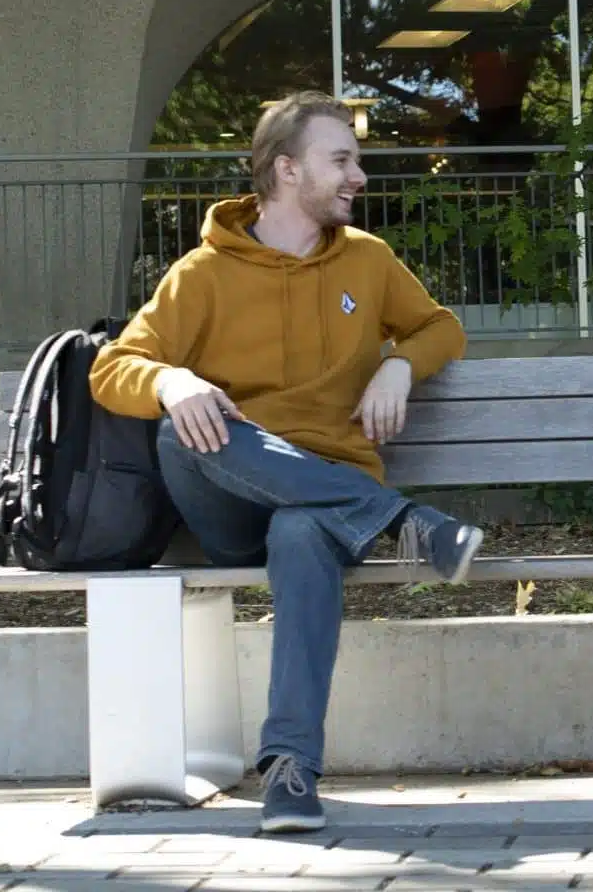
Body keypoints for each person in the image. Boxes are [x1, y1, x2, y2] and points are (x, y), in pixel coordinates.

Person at [91, 92, 483, 835]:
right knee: (185, 429)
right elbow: (114, 370)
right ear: (286, 170)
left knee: (304, 532)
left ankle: (290, 770)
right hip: (232, 504)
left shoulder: (368, 262)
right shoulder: (204, 274)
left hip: (324, 507)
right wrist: (172, 381)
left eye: (355, 162)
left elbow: (441, 328)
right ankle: (404, 523)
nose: (358, 177)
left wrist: (399, 365)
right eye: (342, 161)